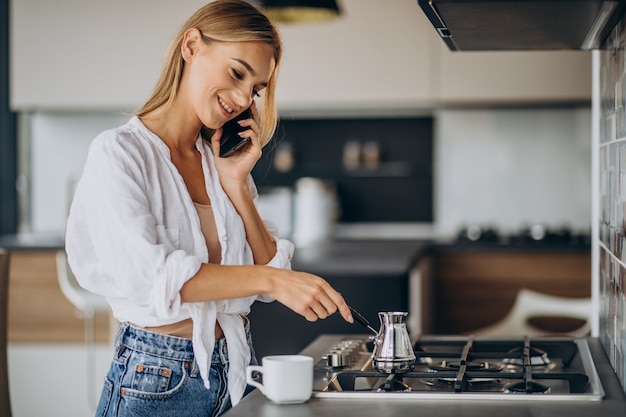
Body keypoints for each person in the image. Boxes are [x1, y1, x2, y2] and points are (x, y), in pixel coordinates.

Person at [64, 1, 354, 416]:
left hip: (233, 371)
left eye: (255, 89)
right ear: (192, 45)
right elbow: (161, 278)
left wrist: (235, 184)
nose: (241, 99)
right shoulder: (120, 153)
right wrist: (272, 282)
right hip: (157, 378)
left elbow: (270, 270)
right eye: (237, 72)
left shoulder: (217, 160)